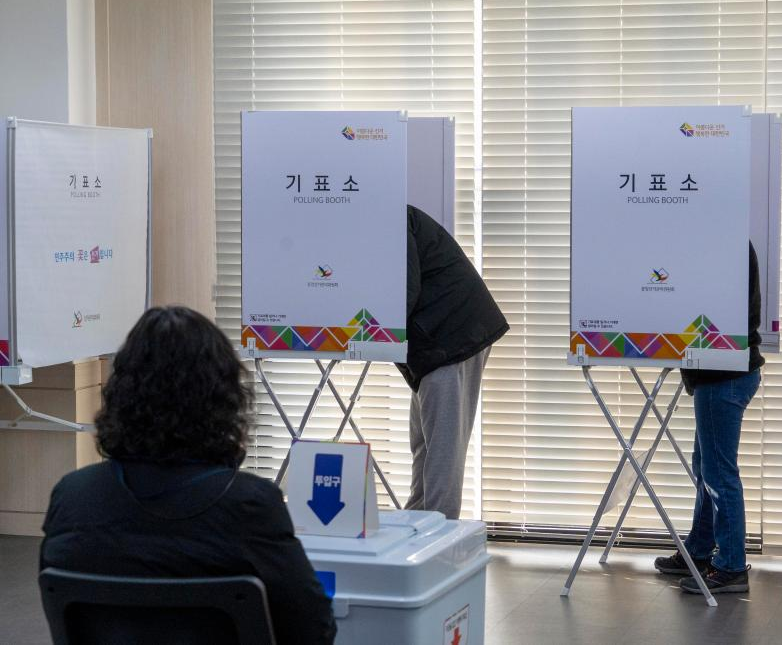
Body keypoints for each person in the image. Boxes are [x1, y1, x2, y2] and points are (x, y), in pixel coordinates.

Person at [39, 306, 337, 644]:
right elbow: (313, 630)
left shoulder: (73, 497)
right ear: (223, 399)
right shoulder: (250, 506)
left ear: (120, 394)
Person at [654, 242, 765, 595]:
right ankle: (699, 551)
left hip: (723, 376)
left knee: (718, 473)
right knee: (706, 467)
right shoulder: (719, 242)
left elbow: (711, 311)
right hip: (722, 375)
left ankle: (731, 565)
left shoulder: (724, 244)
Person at [398, 205, 509, 519]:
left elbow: (402, 292)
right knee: (425, 443)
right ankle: (417, 524)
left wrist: (356, 335)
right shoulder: (379, 220)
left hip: (452, 335)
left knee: (442, 450)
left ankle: (438, 531)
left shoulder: (389, 218)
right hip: (437, 338)